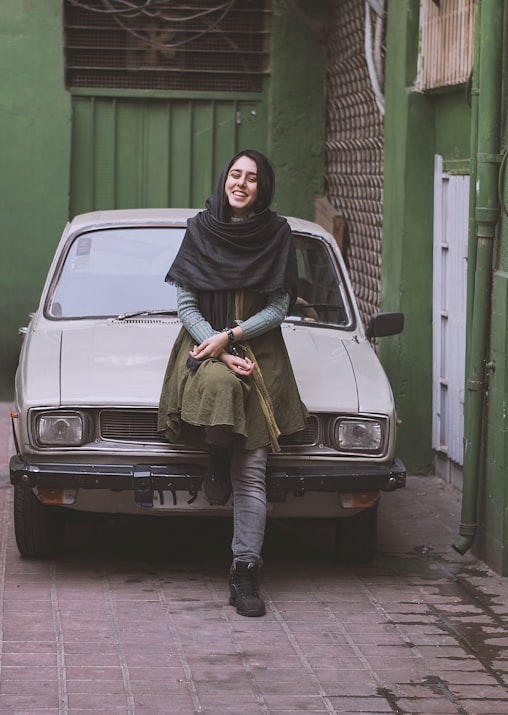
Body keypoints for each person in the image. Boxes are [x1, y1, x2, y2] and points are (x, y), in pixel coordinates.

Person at [158, 149, 308, 618]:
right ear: (225, 179)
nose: (241, 184)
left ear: (263, 188)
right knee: (221, 386)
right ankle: (216, 449)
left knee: (253, 471)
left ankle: (245, 569)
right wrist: (219, 348)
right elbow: (187, 305)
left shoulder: (277, 233)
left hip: (260, 350)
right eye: (235, 175)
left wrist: (235, 336)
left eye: (252, 178)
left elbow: (278, 308)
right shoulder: (199, 230)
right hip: (204, 346)